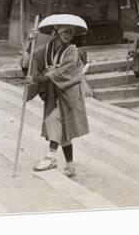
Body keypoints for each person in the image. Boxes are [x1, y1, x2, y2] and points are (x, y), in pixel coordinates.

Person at [21, 14, 90, 179]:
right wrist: (30, 44)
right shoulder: (45, 50)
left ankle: (51, 156)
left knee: (55, 120)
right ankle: (70, 166)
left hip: (68, 92)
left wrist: (38, 78)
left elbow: (63, 72)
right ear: (56, 31)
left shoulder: (72, 51)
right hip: (53, 92)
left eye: (70, 32)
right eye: (65, 31)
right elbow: (27, 62)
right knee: (62, 130)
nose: (68, 35)